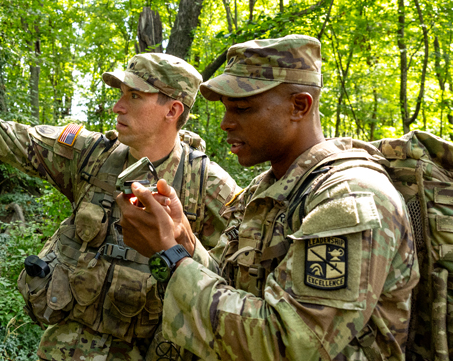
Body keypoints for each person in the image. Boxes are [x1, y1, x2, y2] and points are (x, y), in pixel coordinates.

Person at [117, 35, 420, 360]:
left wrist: (169, 258)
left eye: (243, 108)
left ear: (299, 106)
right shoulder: (266, 190)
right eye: (226, 108)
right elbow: (234, 289)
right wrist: (182, 240)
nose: (225, 123)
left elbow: (289, 343)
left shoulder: (350, 199)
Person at [0, 53, 239, 361]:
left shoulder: (207, 184)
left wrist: (183, 246)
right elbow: (1, 135)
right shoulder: (89, 156)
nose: (118, 106)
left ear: (173, 110)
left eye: (135, 96)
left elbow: (237, 286)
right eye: (121, 94)